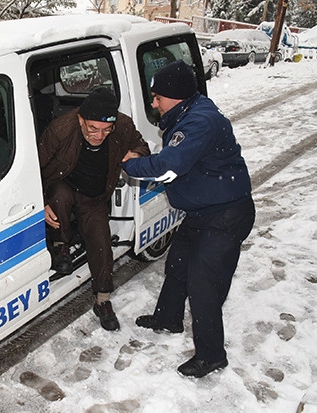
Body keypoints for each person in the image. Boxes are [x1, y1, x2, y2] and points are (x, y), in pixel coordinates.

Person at [122, 60, 255, 378]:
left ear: (175, 96)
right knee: (178, 265)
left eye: (157, 97)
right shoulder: (189, 112)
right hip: (203, 211)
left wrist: (128, 164)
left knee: (204, 286)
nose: (154, 103)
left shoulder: (199, 122)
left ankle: (212, 356)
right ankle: (167, 318)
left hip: (224, 216)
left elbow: (169, 166)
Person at [38, 87, 150, 331]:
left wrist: (136, 153)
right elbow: (34, 167)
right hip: (64, 183)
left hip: (94, 195)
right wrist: (40, 203)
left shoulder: (123, 126)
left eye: (106, 130)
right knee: (59, 197)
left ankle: (103, 300)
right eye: (93, 129)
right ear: (81, 119)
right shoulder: (61, 129)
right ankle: (61, 245)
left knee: (101, 241)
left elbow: (142, 146)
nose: (99, 136)